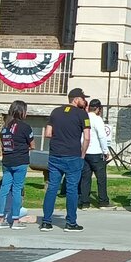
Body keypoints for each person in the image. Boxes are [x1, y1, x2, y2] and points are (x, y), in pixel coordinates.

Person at [41, 87, 91, 231]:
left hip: (55, 154)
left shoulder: (55, 112)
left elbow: (48, 133)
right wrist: (82, 154)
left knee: (52, 188)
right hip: (73, 155)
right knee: (71, 189)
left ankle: (46, 221)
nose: (84, 101)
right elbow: (87, 137)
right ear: (76, 99)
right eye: (82, 98)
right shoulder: (82, 115)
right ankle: (71, 222)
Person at [0, 101, 33, 229]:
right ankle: (16, 220)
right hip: (20, 161)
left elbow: (2, 144)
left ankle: (0, 219)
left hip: (7, 161)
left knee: (4, 189)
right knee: (17, 189)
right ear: (22, 112)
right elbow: (32, 145)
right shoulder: (25, 127)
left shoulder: (4, 127)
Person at [78, 98, 112, 210]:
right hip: (97, 152)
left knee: (85, 178)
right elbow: (102, 136)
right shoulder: (98, 119)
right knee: (101, 178)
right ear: (98, 109)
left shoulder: (84, 117)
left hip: (85, 151)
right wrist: (105, 151)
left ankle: (84, 202)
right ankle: (103, 201)